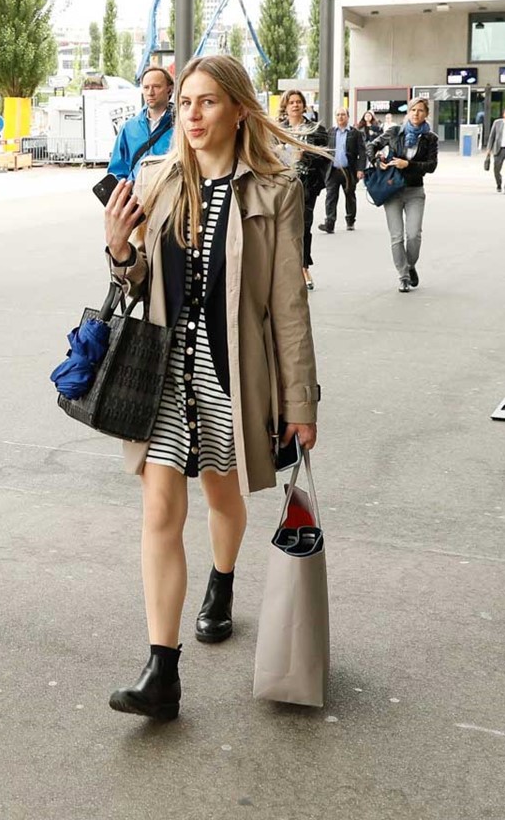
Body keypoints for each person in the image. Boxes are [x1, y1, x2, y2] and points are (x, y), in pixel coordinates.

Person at [100, 54, 320, 721]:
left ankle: (222, 581)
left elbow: (288, 306)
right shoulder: (156, 179)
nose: (191, 116)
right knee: (160, 509)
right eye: (185, 103)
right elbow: (137, 281)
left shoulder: (276, 192)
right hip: (164, 372)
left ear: (238, 110)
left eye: (207, 102)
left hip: (231, 373)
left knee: (222, 493)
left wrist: (300, 402)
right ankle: (161, 670)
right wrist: (119, 250)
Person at [370, 98, 440, 292]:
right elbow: (372, 146)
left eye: (420, 110)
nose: (416, 113)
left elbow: (431, 166)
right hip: (392, 189)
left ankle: (409, 265)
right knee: (397, 237)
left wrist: (408, 164)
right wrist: (377, 160)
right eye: (413, 110)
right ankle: (403, 276)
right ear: (408, 112)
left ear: (426, 114)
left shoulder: (430, 138)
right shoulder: (395, 132)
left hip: (415, 191)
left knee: (414, 235)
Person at [276, 90, 328, 291]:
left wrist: (304, 156)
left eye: (298, 102)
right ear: (286, 106)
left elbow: (324, 158)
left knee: (304, 226)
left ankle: (304, 267)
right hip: (282, 186)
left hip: (307, 186)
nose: (295, 105)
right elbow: (267, 155)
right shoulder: (277, 130)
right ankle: (288, 268)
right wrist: (279, 153)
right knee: (285, 228)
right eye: (291, 102)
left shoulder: (316, 130)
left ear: (304, 105)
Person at [109, 66, 176, 181]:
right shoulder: (128, 128)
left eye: (156, 87)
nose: (150, 92)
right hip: (135, 191)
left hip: (169, 190)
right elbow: (117, 172)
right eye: (146, 87)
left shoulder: (181, 126)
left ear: (169, 90)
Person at [319, 109, 365, 233]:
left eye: (343, 115)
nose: (340, 117)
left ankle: (350, 220)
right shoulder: (330, 132)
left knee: (350, 195)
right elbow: (324, 150)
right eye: (338, 115)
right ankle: (329, 223)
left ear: (348, 117)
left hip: (348, 170)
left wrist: (360, 169)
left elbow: (362, 152)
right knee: (330, 197)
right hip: (333, 170)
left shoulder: (355, 133)